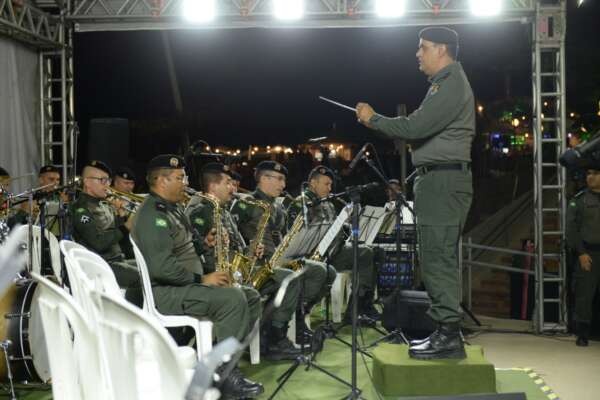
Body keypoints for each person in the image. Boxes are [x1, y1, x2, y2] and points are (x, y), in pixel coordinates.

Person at [356, 26, 474, 360]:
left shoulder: (450, 83)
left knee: (438, 258)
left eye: (422, 48)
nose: (417, 54)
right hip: (437, 181)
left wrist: (372, 119)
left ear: (441, 49)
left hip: (443, 183)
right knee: (435, 256)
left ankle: (449, 335)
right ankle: (445, 331)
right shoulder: (445, 84)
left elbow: (414, 128)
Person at [131, 155, 263, 398]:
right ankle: (224, 375)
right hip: (166, 292)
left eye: (184, 177)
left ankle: (216, 360)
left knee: (250, 295)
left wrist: (206, 243)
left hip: (183, 286)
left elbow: (186, 247)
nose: (185, 182)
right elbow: (162, 268)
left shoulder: (173, 208)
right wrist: (201, 280)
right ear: (161, 181)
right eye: (180, 178)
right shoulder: (153, 215)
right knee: (232, 299)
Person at [186, 162, 302, 359]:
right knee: (272, 285)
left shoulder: (224, 211)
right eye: (229, 183)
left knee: (289, 279)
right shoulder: (201, 211)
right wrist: (208, 243)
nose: (234, 188)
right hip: (219, 275)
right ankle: (227, 351)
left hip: (241, 270)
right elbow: (199, 252)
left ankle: (270, 336)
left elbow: (236, 246)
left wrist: (251, 250)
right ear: (213, 187)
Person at [231, 160, 329, 345]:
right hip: (258, 265)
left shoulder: (278, 206)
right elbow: (234, 237)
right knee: (290, 277)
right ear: (263, 178)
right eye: (279, 179)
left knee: (322, 271)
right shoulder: (246, 204)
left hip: (280, 259)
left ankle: (298, 317)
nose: (283, 185)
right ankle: (275, 335)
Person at [287, 166, 380, 325]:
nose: (330, 188)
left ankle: (358, 308)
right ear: (313, 183)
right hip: (312, 257)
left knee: (370, 252)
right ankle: (302, 314)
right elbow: (298, 238)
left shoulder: (328, 203)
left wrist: (345, 226)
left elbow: (335, 234)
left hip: (332, 252)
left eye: (331, 185)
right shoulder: (301, 204)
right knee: (364, 254)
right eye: (326, 184)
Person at [69, 160, 139, 287]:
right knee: (144, 279)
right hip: (100, 265)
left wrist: (120, 216)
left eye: (108, 180)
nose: (107, 185)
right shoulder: (80, 209)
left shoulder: (104, 203)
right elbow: (99, 243)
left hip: (117, 259)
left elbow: (115, 236)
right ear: (87, 182)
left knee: (154, 269)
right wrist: (126, 226)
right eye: (102, 180)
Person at [566, 166, 600, 347]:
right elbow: (571, 229)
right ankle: (583, 333)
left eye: (595, 174)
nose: (590, 177)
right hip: (589, 254)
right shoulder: (579, 200)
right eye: (588, 174)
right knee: (584, 296)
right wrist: (581, 253)